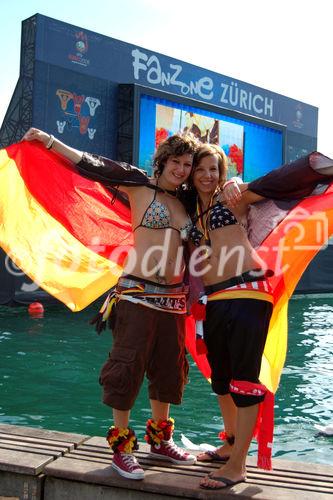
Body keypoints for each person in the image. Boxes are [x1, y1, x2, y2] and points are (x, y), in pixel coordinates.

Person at [22, 127, 199, 480]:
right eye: (176, 161)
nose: (181, 169)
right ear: (163, 161)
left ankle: (160, 441)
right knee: (126, 370)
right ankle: (122, 450)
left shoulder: (187, 202)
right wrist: (50, 142)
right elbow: (93, 166)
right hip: (137, 295)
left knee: (168, 371)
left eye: (187, 164)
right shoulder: (138, 185)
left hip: (174, 302)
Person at [186, 143, 274, 490]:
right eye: (200, 169)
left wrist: (316, 167)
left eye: (214, 169)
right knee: (221, 378)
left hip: (247, 293)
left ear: (222, 173)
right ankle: (231, 444)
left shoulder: (233, 197)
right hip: (216, 298)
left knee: (243, 380)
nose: (208, 176)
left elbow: (276, 185)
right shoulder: (193, 208)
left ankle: (238, 467)